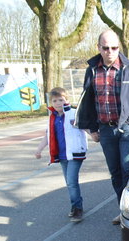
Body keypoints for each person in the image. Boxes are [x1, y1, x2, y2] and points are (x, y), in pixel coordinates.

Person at [75, 29, 129, 225]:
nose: (110, 51)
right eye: (106, 47)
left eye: (114, 47)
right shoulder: (92, 70)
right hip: (105, 130)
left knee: (128, 170)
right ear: (98, 48)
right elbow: (88, 101)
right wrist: (92, 128)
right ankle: (122, 210)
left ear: (119, 47)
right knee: (115, 172)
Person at [35, 87, 89, 223]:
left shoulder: (73, 113)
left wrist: (94, 134)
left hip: (75, 152)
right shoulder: (52, 117)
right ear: (51, 103)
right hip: (62, 154)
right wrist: (39, 149)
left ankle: (77, 209)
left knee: (71, 181)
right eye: (55, 101)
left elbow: (85, 126)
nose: (58, 103)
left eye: (61, 100)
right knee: (69, 182)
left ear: (67, 100)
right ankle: (75, 205)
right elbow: (48, 135)